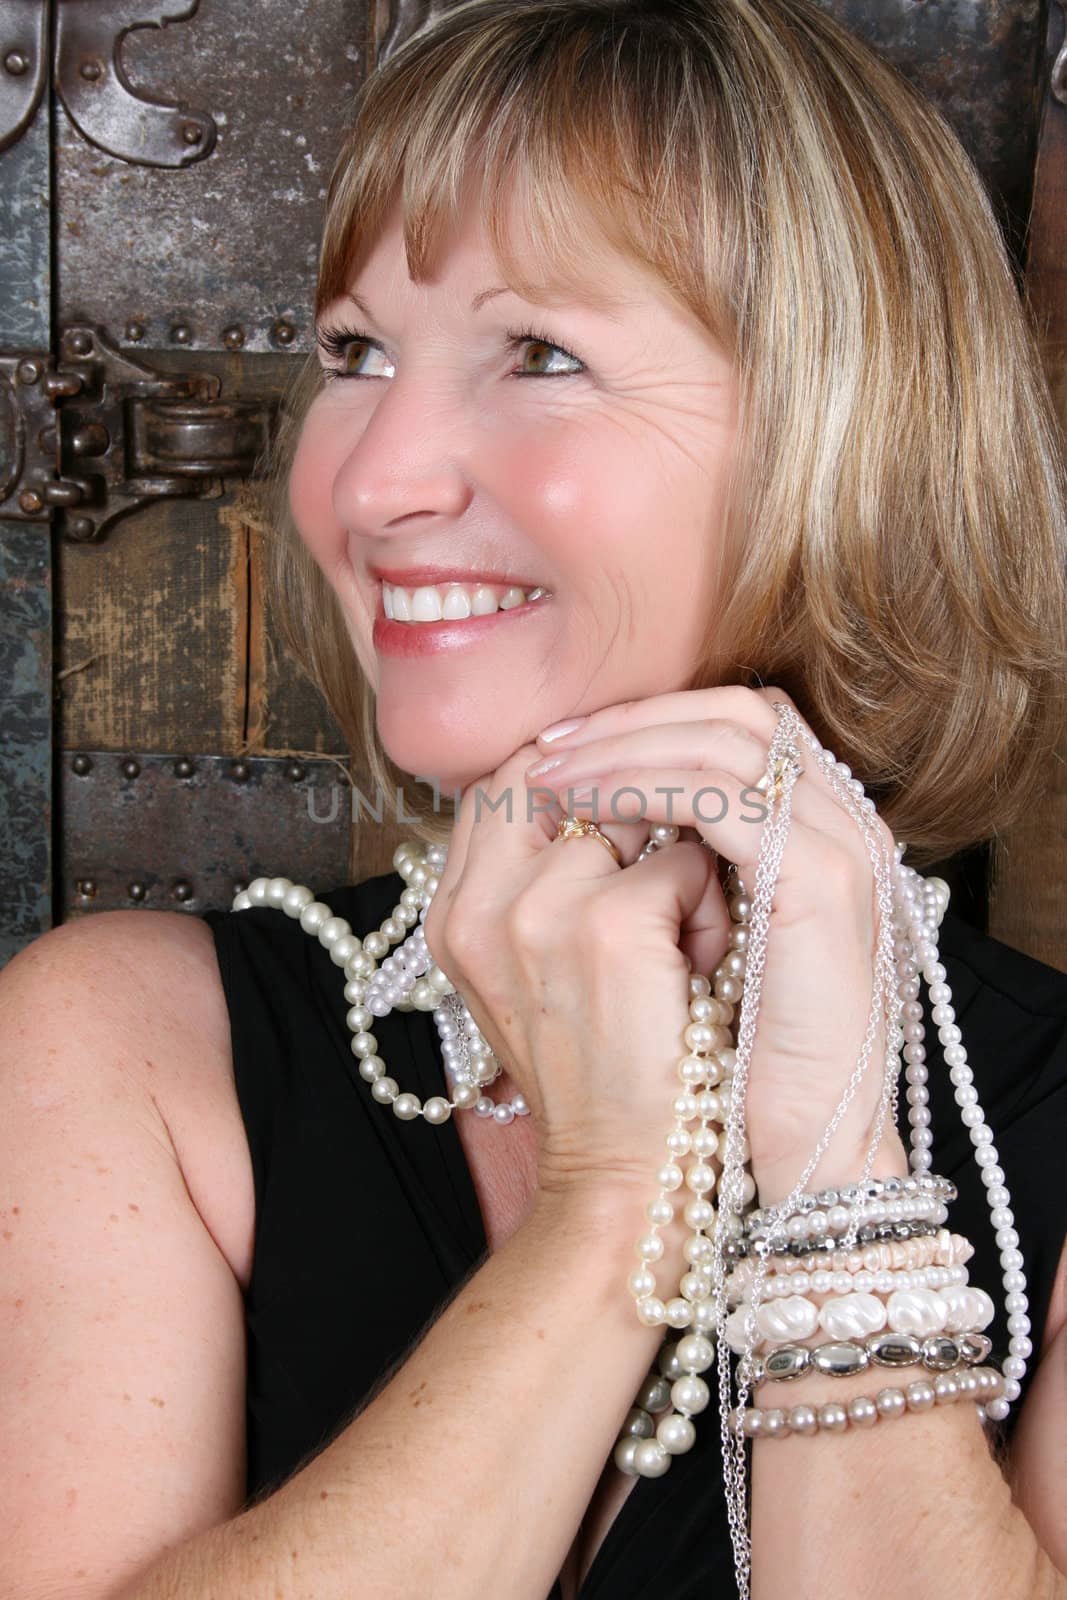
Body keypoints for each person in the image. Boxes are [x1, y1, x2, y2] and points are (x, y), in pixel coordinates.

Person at [2, 1, 1066, 1596]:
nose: (366, 483)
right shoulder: (124, 1047)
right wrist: (608, 1204)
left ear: (841, 432)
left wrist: (837, 1155)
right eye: (355, 351)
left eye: (544, 354)